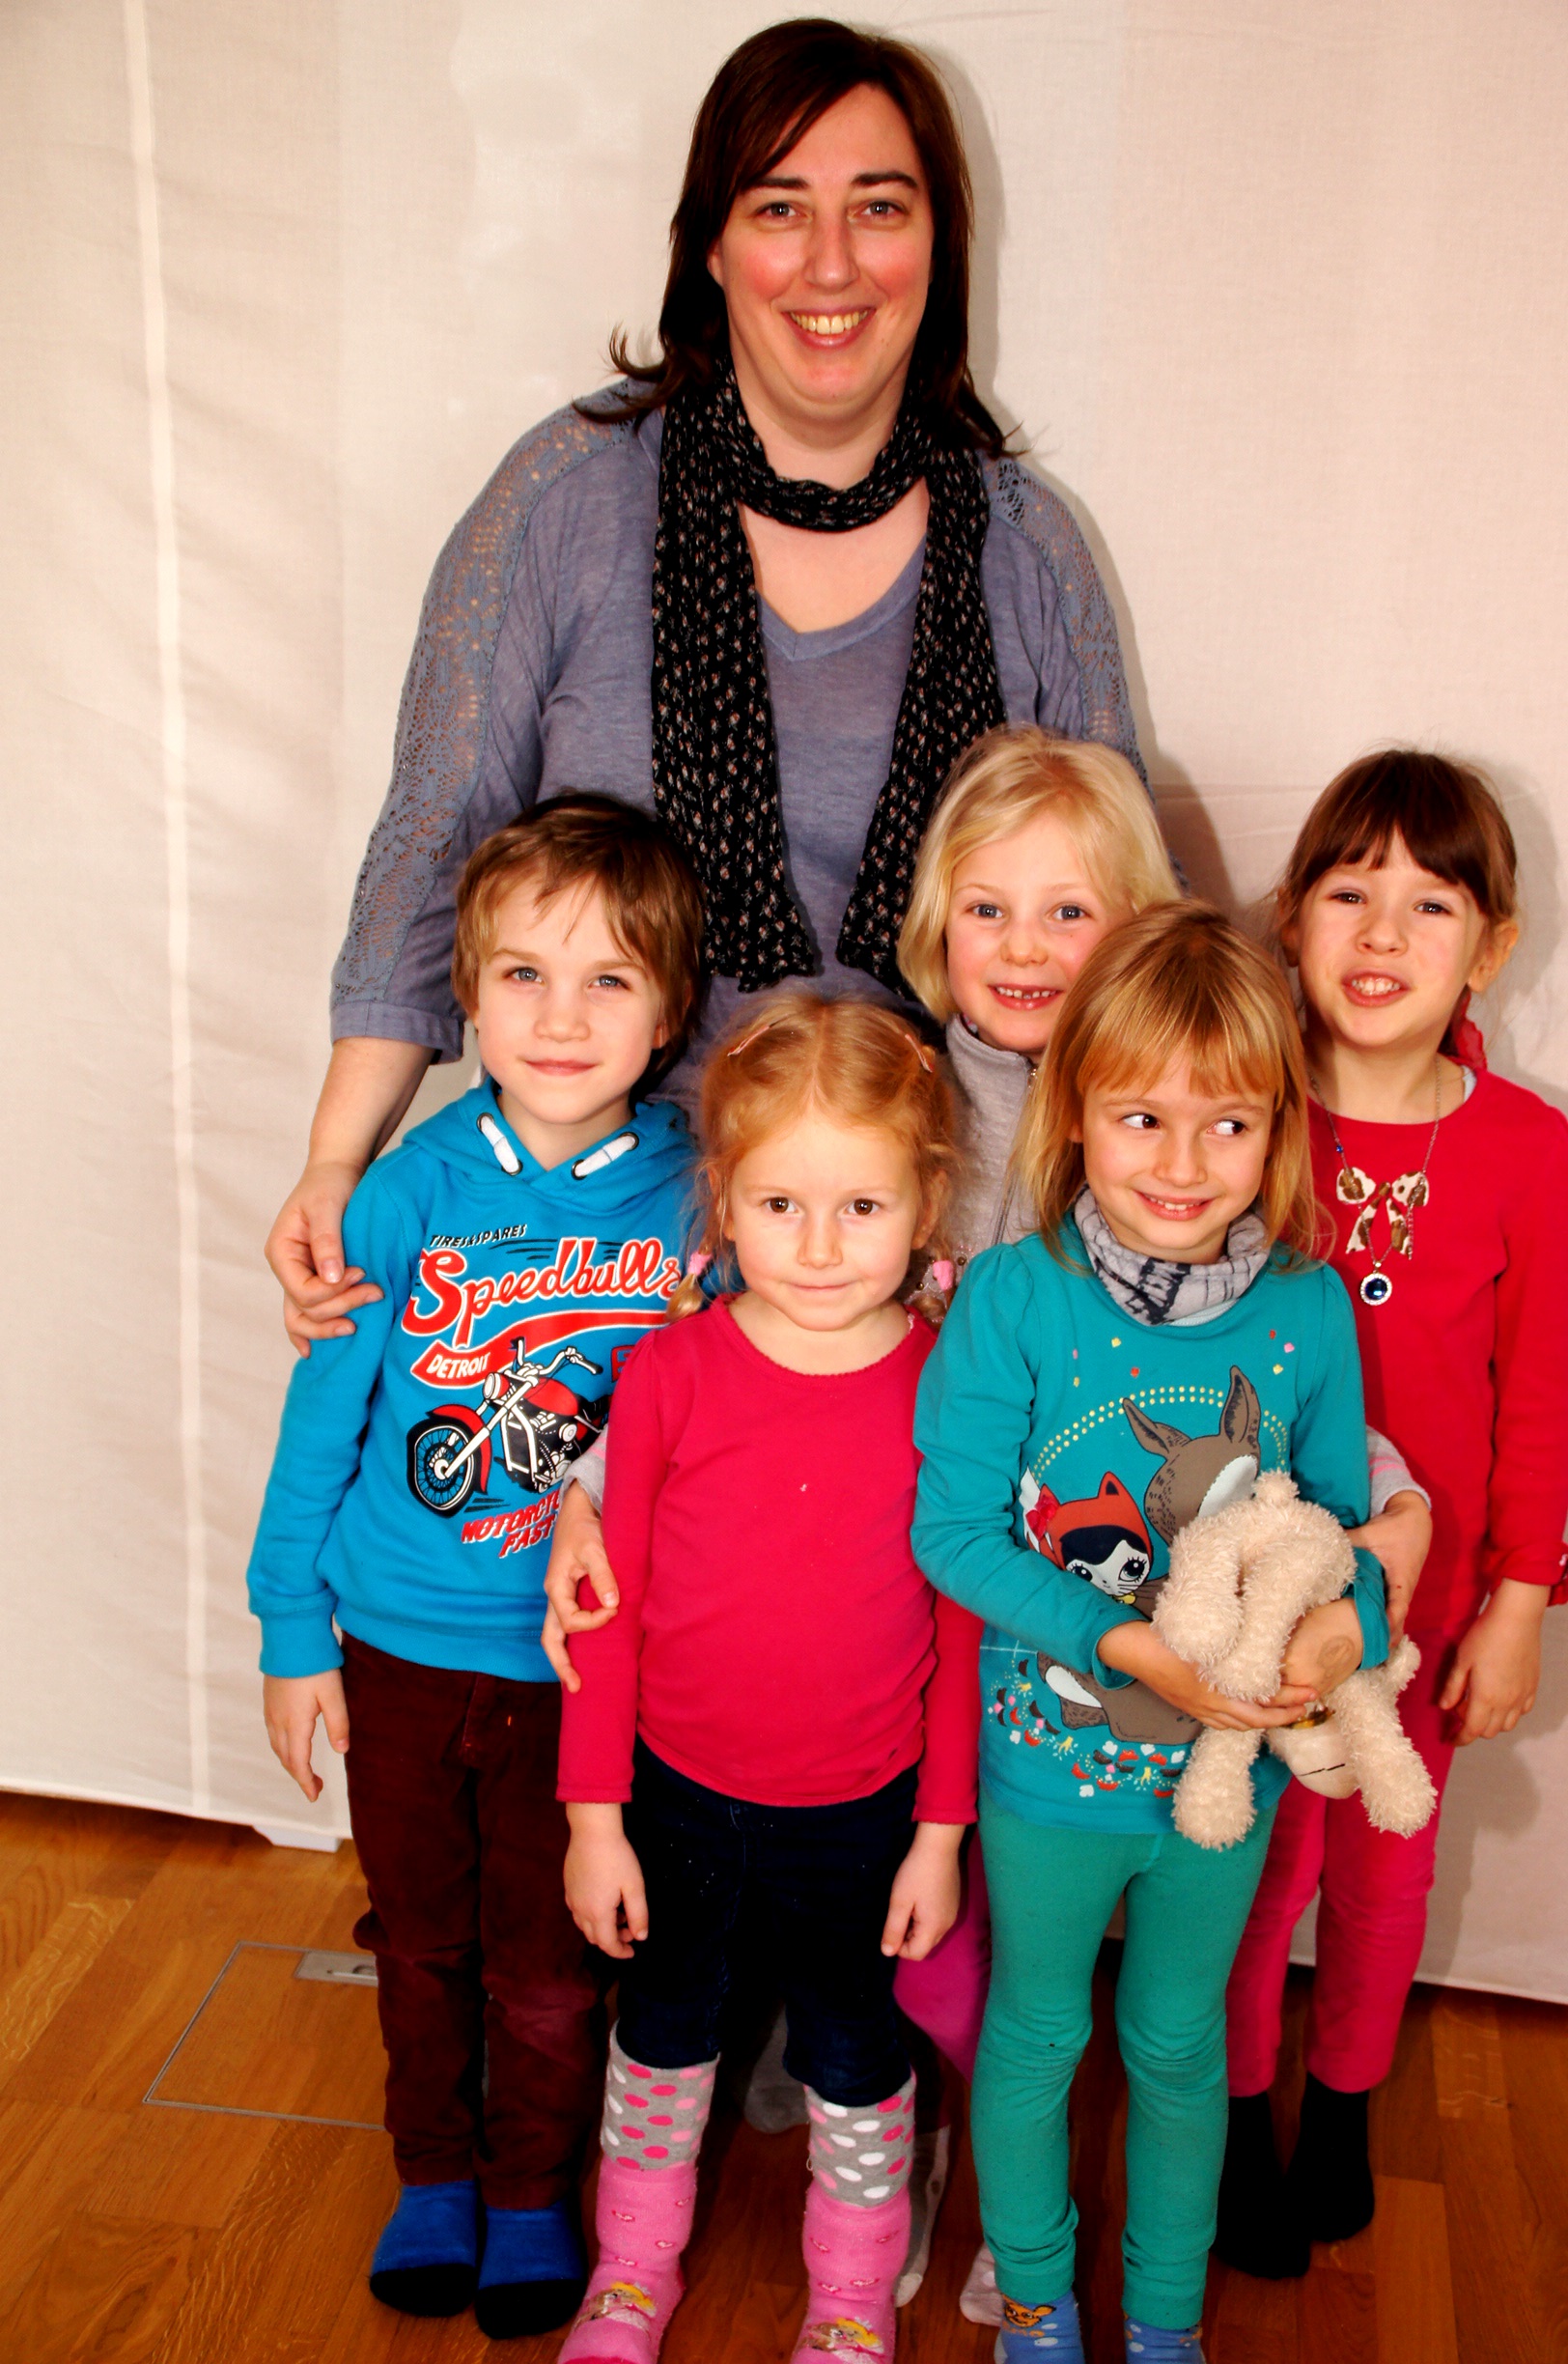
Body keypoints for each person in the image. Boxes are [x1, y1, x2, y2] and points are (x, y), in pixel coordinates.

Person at [266, 16, 1144, 1357]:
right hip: (607, 1255)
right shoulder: (564, 502)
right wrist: (337, 1160)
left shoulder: (1029, 549)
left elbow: (1134, 937)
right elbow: (436, 836)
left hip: (938, 1259)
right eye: (780, 207)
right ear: (713, 246)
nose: (832, 262)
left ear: (940, 245)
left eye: (880, 207)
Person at [246, 798, 703, 2337]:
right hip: (396, 1647)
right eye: (524, 976)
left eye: (607, 981)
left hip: (586, 1670)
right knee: (421, 1939)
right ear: (465, 993)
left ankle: (528, 2193)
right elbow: (321, 1422)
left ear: (670, 1010)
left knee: (555, 1965)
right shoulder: (404, 1190)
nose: (561, 1019)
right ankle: (433, 2175)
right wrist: (290, 1628)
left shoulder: (701, 1198)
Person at [911, 903, 1390, 2364]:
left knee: (1180, 2043)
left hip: (1221, 1783)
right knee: (1038, 2033)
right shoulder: (1014, 1297)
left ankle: (1168, 2324)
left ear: (1277, 1129)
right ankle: (1037, 2308)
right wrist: (1124, 1646)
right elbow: (954, 1535)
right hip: (1049, 1774)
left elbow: (1345, 1542)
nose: (1183, 1165)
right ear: (1073, 1110)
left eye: (1227, 1124)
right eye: (1142, 1119)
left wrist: (1340, 1638)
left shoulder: (1307, 1311)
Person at [554, 996, 982, 2364]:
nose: (818, 1245)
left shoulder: (948, 1392)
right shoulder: (667, 1372)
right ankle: (631, 2274)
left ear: (926, 1207)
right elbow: (604, 1611)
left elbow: (962, 1636)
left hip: (864, 1813)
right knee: (663, 2034)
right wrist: (594, 1819)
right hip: (675, 1796)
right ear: (724, 1203)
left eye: (861, 1207)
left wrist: (938, 1838)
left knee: (854, 2052)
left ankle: (850, 2295)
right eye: (781, 1204)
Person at [1216, 750, 1568, 2276]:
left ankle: (1345, 2106)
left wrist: (1519, 1602)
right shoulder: (1240, 1119)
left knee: (1381, 1870)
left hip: (1421, 1616)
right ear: (1293, 918)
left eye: (1431, 903)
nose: (1382, 932)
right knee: (1246, 1873)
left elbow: (1543, 1401)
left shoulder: (1531, 1152)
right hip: (1248, 1598)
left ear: (1490, 945)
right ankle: (1232, 2115)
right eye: (1350, 891)